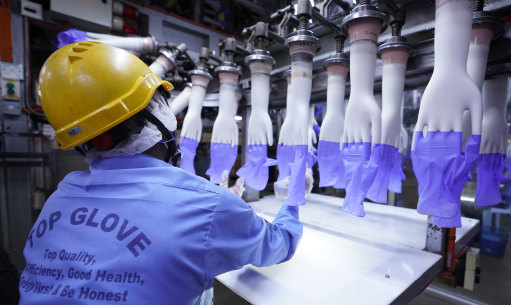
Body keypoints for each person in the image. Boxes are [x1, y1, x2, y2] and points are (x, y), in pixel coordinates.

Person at [18, 41, 302, 305]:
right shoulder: (205, 206)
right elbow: (279, 243)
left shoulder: (59, 198)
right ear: (158, 114)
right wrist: (291, 200)